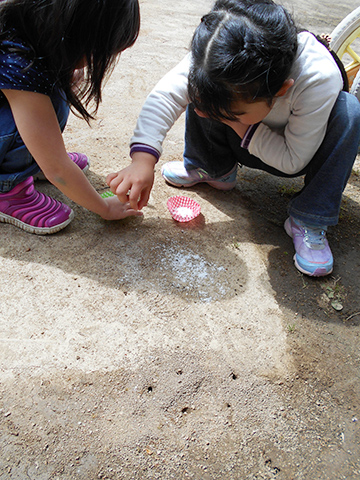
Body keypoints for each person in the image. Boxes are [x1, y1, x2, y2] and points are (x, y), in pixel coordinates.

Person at [107, 0, 360, 277]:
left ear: (280, 91)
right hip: (248, 134)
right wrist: (143, 160)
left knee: (349, 112)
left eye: (235, 113)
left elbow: (292, 160)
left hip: (295, 152)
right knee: (205, 90)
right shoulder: (217, 50)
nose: (217, 115)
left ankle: (309, 217)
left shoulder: (317, 77)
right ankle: (212, 168)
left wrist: (229, 120)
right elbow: (165, 96)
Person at [0, 0, 142, 235]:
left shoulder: (24, 28)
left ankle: (32, 159)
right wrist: (104, 207)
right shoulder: (16, 62)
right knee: (45, 100)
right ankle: (7, 189)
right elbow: (58, 169)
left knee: (57, 86)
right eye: (97, 52)